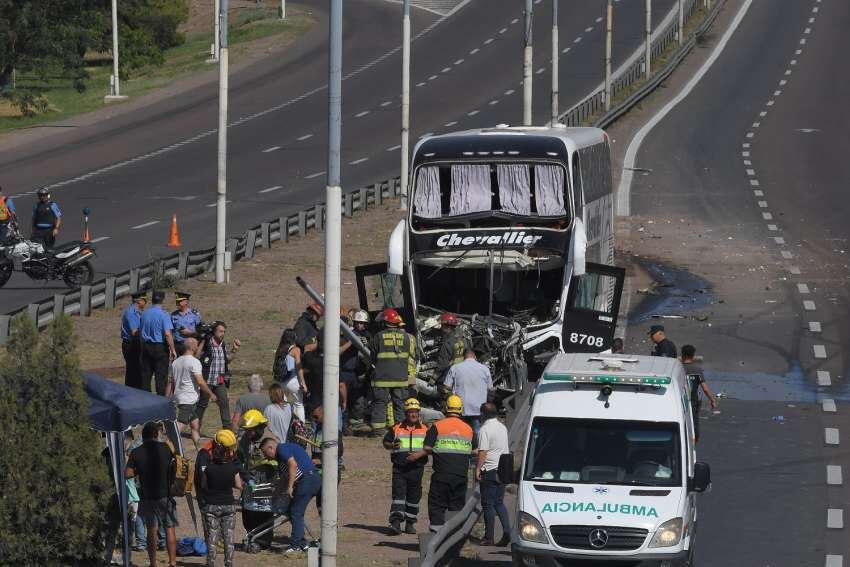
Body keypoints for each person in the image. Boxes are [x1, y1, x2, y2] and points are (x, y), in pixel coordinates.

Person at [407, 395, 473, 532]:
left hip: (442, 475)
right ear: (461, 409)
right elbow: (476, 451)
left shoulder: (437, 426)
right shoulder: (468, 429)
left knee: (437, 505)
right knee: (456, 508)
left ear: (446, 409)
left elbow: (427, 448)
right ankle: (452, 538)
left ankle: (435, 538)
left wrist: (416, 456)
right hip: (461, 475)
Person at [125, 422, 178, 567]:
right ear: (156, 434)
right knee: (170, 529)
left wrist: (139, 470)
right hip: (166, 495)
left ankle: (153, 563)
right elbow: (175, 464)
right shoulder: (166, 448)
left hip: (148, 496)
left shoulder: (136, 452)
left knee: (151, 531)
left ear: (143, 436)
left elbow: (127, 474)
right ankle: (172, 562)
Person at [261, 438, 321, 554]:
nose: (265, 456)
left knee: (296, 512)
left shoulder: (282, 448)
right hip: (307, 481)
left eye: (264, 452)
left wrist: (290, 487)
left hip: (308, 480)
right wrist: (274, 496)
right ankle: (303, 544)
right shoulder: (280, 459)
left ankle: (295, 546)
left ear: (271, 448)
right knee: (291, 511)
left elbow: (292, 465)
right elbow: (284, 478)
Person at [382, 398, 428, 535]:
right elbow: (385, 442)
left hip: (417, 468)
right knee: (398, 496)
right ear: (405, 413)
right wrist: (391, 445)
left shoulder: (425, 429)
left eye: (415, 412)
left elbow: (429, 447)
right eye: (410, 412)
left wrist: (419, 455)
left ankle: (410, 523)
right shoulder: (396, 428)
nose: (413, 415)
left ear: (419, 413)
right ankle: (395, 523)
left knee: (414, 497)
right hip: (399, 468)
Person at [369, 307, 417, 437]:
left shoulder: (378, 336)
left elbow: (372, 356)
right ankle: (400, 430)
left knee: (380, 403)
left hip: (381, 378)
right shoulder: (407, 338)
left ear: (385, 322)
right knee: (399, 404)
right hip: (400, 378)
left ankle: (378, 431)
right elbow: (408, 356)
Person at [199, 429, 242, 567]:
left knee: (212, 538)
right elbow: (238, 485)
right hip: (228, 505)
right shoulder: (232, 468)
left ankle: (210, 563)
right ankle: (229, 563)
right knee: (228, 537)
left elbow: (203, 485)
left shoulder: (208, 468)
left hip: (211, 505)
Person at [236, 409, 277, 549]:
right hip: (250, 481)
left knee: (263, 512)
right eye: (247, 430)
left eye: (251, 430)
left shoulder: (270, 439)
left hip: (266, 482)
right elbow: (239, 457)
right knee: (247, 512)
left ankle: (263, 541)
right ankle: (252, 536)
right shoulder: (246, 438)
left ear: (260, 427)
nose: (248, 433)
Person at [167, 338, 217, 449]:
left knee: (195, 424)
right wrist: (211, 394)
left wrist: (168, 398)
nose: (198, 346)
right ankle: (167, 446)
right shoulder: (194, 362)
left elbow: (171, 382)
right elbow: (200, 382)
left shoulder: (176, 362)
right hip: (188, 400)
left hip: (179, 398)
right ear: (192, 347)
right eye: (197, 344)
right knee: (180, 425)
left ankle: (199, 449)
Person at [475, 403, 511, 546]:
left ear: (483, 414)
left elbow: (483, 452)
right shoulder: (502, 427)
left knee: (488, 505)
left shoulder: (484, 429)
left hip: (489, 470)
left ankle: (489, 537)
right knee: (499, 503)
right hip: (502, 470)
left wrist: (478, 468)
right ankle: (507, 531)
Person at [197, 321, 241, 431]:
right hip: (207, 381)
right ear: (214, 331)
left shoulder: (223, 344)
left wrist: (235, 349)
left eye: (224, 332)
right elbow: (196, 356)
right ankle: (195, 428)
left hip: (219, 381)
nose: (223, 334)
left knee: (224, 403)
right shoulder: (207, 343)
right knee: (202, 405)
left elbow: (227, 360)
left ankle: (227, 430)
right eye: (221, 331)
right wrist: (202, 340)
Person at [443, 349, 493, 437]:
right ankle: (476, 449)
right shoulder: (485, 369)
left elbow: (446, 387)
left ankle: (462, 449)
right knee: (477, 433)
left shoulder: (455, 367)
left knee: (460, 433)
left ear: (463, 357)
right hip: (478, 409)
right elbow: (490, 389)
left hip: (460, 409)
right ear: (475, 357)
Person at [139, 290, 177, 395]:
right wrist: (172, 349)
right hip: (159, 347)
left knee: (146, 376)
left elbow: (141, 333)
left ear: (152, 300)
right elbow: (167, 334)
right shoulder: (164, 315)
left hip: (146, 346)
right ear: (163, 300)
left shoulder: (144, 313)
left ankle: (145, 398)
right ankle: (160, 400)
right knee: (161, 376)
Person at [681, 344, 718, 442]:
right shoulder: (697, 370)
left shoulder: (678, 369)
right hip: (693, 402)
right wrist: (712, 400)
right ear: (693, 356)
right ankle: (692, 447)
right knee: (694, 426)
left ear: (682, 354)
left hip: (679, 401)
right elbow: (705, 389)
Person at [273, 329, 307, 422]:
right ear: (293, 338)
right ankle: (301, 429)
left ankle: (283, 424)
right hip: (292, 381)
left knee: (283, 405)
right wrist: (303, 383)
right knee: (298, 404)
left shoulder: (280, 349)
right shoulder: (295, 350)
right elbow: (299, 367)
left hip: (280, 381)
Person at [121, 292, 147, 389]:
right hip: (131, 344)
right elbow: (134, 332)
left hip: (136, 343)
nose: (146, 303)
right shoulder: (131, 312)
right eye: (145, 300)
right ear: (140, 301)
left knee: (138, 369)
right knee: (133, 370)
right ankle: (131, 391)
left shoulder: (139, 312)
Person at [436, 312, 466, 383]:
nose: (441, 328)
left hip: (448, 376)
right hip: (460, 375)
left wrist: (433, 379)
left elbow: (442, 365)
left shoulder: (447, 344)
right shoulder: (463, 341)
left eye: (442, 326)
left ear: (448, 327)